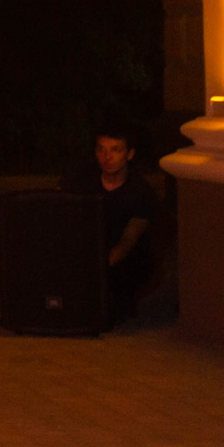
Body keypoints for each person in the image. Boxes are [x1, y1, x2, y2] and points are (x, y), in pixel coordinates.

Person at [66, 125, 159, 322]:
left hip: (122, 258)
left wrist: (98, 267)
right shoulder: (80, 179)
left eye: (115, 150)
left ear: (129, 154)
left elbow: (128, 240)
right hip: (84, 250)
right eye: (101, 149)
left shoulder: (140, 192)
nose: (106, 156)